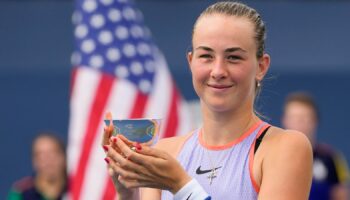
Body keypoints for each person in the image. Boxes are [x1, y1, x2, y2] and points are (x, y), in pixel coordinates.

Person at [102, 2, 313, 199]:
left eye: (234, 57)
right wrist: (127, 193)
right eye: (206, 56)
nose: (218, 71)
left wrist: (181, 185)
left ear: (261, 67)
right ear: (191, 61)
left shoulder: (286, 147)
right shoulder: (165, 152)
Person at [282, 92, 350, 200]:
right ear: (285, 120)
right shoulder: (272, 157)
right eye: (294, 118)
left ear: (315, 121)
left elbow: (341, 194)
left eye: (303, 118)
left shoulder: (331, 157)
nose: (298, 124)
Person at [8, 133, 67, 200]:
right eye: (41, 155)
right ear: (34, 161)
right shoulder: (20, 192)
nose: (48, 160)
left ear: (64, 156)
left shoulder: (78, 188)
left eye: (53, 153)